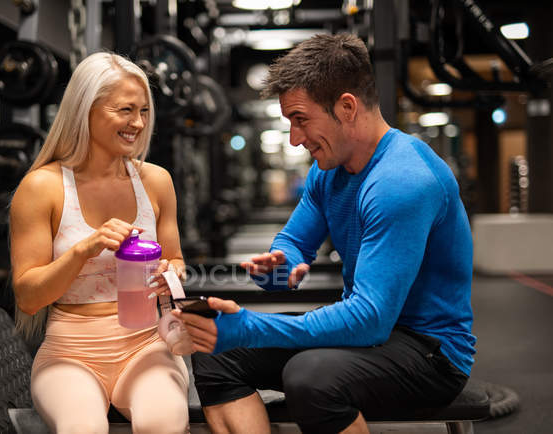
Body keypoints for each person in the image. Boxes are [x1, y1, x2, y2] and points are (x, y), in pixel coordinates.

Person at [174, 33, 476, 434]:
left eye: (301, 120)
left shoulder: (401, 181)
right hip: (371, 333)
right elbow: (295, 240)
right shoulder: (328, 170)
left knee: (311, 377)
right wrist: (284, 263)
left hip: (429, 352)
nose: (295, 138)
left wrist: (248, 324)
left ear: (346, 107)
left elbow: (369, 320)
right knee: (217, 354)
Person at [10, 52, 189, 434]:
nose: (138, 123)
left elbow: (176, 260)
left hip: (147, 344)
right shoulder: (42, 187)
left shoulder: (156, 181)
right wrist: (83, 250)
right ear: (85, 110)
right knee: (82, 428)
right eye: (125, 110)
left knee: (164, 423)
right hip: (69, 352)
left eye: (143, 111)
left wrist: (169, 274)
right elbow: (27, 297)